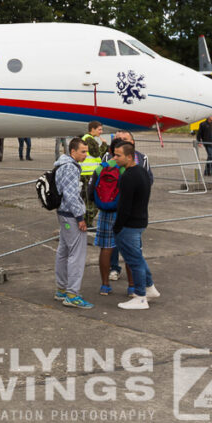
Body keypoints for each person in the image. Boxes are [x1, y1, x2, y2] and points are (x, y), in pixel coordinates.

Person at [100, 131, 152, 284]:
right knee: (115, 249)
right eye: (118, 139)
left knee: (134, 254)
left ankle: (139, 289)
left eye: (125, 139)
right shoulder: (108, 159)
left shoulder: (140, 162)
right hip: (118, 210)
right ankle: (115, 270)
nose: (121, 141)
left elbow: (148, 181)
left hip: (130, 216)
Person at [113, 142, 160, 310]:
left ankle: (140, 297)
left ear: (129, 156)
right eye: (114, 154)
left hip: (130, 224)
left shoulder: (128, 176)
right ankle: (149, 288)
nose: (115, 158)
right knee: (137, 258)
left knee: (134, 261)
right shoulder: (142, 172)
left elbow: (124, 206)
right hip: (139, 221)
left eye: (118, 155)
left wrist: (117, 227)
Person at [53, 138, 93, 309]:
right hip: (70, 215)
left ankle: (61, 288)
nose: (85, 155)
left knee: (64, 250)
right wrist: (80, 218)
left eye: (86, 151)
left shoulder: (61, 164)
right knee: (77, 254)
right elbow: (70, 195)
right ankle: (72, 294)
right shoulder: (70, 167)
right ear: (73, 151)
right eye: (83, 151)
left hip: (63, 214)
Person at [81, 121, 108, 224]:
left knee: (85, 199)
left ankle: (84, 221)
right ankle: (87, 222)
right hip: (89, 174)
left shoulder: (87, 138)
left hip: (86, 173)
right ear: (92, 129)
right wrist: (104, 145)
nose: (101, 132)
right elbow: (97, 154)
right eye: (99, 129)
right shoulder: (89, 139)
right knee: (91, 201)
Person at [196, 114, 212, 178]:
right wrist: (199, 141)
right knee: (211, 156)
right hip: (207, 142)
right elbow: (199, 134)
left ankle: (207, 171)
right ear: (208, 116)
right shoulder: (203, 124)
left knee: (210, 157)